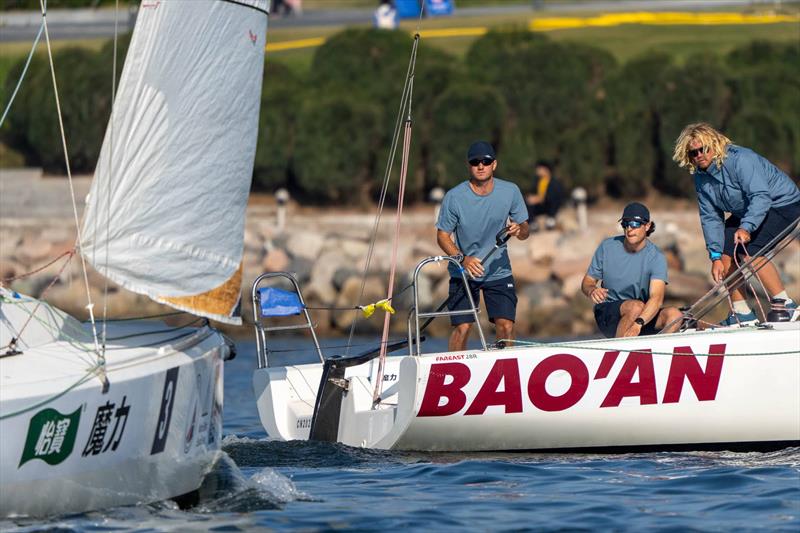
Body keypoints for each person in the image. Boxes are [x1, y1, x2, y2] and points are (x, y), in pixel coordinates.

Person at [672, 123, 800, 324]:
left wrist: (746, 227)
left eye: (703, 149)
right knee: (724, 255)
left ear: (714, 145)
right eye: (693, 153)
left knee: (749, 252)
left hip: (781, 204)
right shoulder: (700, 177)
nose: (699, 155)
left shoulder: (741, 160)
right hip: (747, 210)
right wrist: (714, 254)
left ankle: (786, 305)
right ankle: (742, 313)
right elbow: (710, 217)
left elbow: (760, 196)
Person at [436, 141, 530, 351]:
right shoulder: (454, 197)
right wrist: (463, 260)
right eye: (475, 162)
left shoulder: (510, 191)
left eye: (485, 162)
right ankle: (453, 372)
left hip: (498, 271)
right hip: (463, 273)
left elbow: (525, 232)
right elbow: (442, 236)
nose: (480, 166)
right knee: (463, 328)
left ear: (494, 165)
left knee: (505, 326)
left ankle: (503, 371)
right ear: (468, 165)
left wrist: (519, 229)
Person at [581, 202, 683, 338]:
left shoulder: (656, 257)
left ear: (647, 226)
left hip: (641, 316)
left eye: (635, 224)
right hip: (608, 311)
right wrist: (592, 290)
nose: (629, 229)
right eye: (625, 224)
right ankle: (620, 352)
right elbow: (587, 282)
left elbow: (656, 298)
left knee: (675, 315)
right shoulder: (607, 247)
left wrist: (638, 324)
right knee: (636, 307)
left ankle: (655, 353)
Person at [526, 160, 564, 232]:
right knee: (527, 201)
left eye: (539, 169)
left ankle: (551, 219)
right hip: (540, 206)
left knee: (553, 200)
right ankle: (533, 223)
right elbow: (533, 192)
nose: (537, 171)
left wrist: (539, 199)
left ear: (546, 170)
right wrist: (531, 198)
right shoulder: (537, 181)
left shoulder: (554, 182)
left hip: (550, 206)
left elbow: (555, 196)